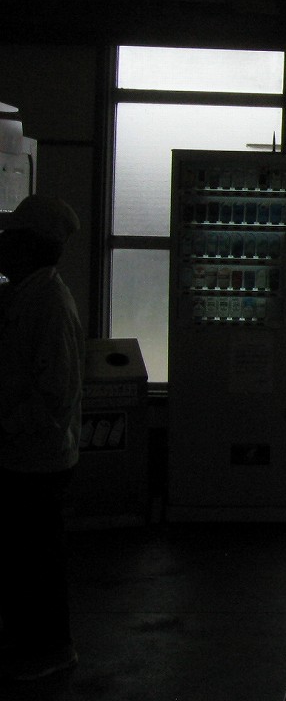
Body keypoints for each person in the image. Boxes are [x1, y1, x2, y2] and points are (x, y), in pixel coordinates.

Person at [0, 194, 86, 682]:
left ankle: (52, 646)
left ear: (32, 245)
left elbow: (56, 392)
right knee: (27, 556)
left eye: (10, 236)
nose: (2, 244)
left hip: (38, 457)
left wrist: (7, 424)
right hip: (27, 453)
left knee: (36, 558)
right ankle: (29, 639)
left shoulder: (48, 303)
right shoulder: (26, 294)